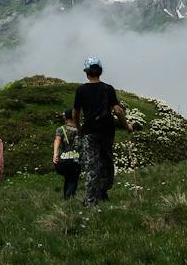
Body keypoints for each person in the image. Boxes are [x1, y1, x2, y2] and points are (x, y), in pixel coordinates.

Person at [71, 57, 134, 206]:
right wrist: (127, 126)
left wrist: (80, 129)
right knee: (107, 161)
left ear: (86, 73)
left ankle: (91, 200)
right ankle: (103, 191)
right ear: (100, 71)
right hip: (107, 131)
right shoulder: (108, 88)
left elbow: (75, 114)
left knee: (92, 165)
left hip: (90, 131)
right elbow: (118, 111)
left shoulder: (81, 90)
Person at [52, 109, 82, 199]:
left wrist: (55, 154)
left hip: (65, 158)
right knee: (73, 179)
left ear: (65, 117)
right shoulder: (80, 129)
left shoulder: (61, 129)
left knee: (67, 178)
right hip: (77, 158)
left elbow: (57, 140)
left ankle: (66, 197)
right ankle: (69, 196)